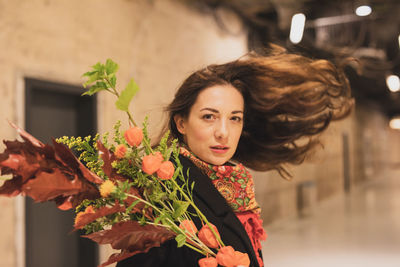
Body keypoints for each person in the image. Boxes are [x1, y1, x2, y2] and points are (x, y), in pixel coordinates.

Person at [117, 47, 353, 267]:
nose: (223, 132)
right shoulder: (160, 192)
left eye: (234, 118)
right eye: (209, 117)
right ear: (181, 123)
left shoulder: (236, 186)